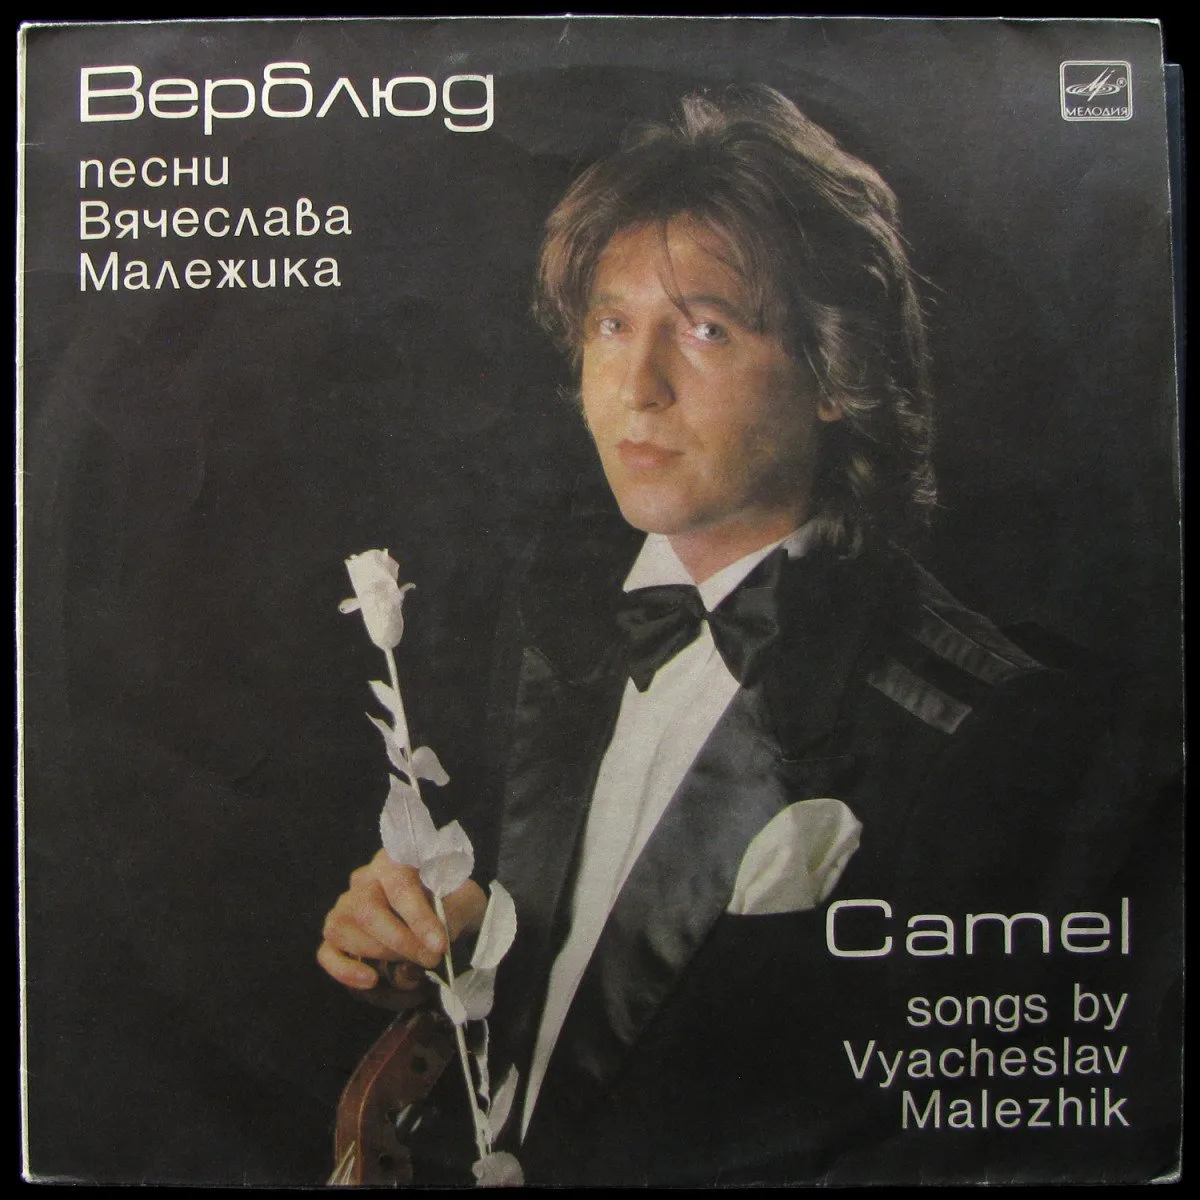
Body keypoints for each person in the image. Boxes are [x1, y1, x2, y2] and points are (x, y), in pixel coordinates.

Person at [317, 86, 1159, 1185]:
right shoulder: (552, 611)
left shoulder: (989, 726)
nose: (638, 387)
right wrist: (428, 942)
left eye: (705, 328)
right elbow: (549, 958)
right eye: (613, 325)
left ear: (834, 371)